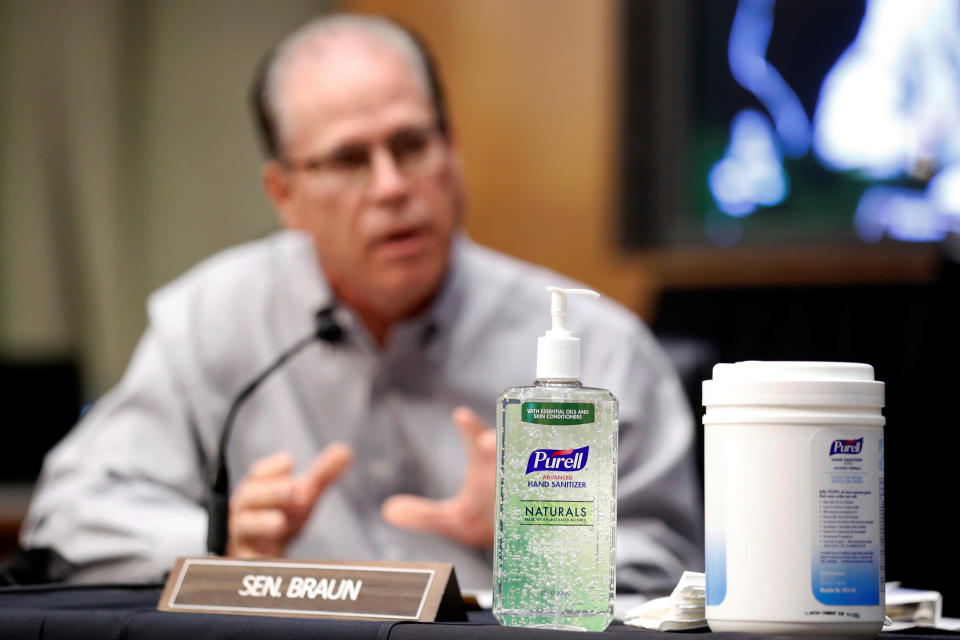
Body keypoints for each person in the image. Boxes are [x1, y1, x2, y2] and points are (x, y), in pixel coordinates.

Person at [19, 14, 702, 592]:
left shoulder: (597, 343)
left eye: (412, 145)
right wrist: (219, 538)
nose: (391, 187)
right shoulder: (209, 320)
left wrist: (536, 544)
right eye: (348, 160)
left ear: (452, 150)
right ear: (283, 194)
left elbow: (676, 565)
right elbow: (73, 511)